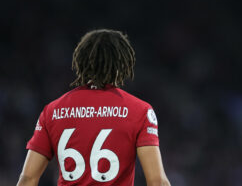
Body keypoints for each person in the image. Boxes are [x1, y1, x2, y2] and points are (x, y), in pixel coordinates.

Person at [17, 29, 171, 186]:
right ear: (120, 64)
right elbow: (157, 181)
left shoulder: (52, 111)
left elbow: (28, 179)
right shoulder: (140, 111)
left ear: (82, 62)